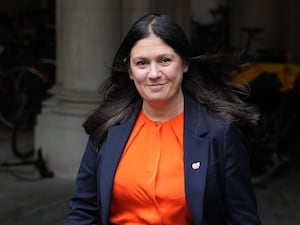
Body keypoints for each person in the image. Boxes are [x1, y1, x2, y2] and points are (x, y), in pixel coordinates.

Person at [66, 13, 262, 225]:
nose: (153, 73)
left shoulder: (220, 132)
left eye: (165, 60)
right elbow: (83, 211)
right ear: (130, 70)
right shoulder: (107, 127)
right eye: (142, 63)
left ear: (184, 64)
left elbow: (243, 218)